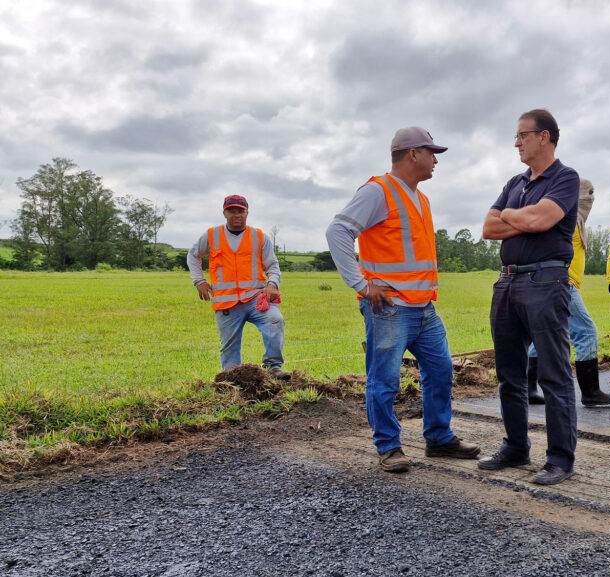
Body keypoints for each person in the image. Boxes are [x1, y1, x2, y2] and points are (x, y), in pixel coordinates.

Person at [325, 126, 480, 474]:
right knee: (384, 381)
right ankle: (389, 446)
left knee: (440, 371)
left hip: (424, 308)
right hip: (390, 309)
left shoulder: (420, 197)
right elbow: (337, 231)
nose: (435, 159)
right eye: (431, 152)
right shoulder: (377, 191)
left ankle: (439, 438)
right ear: (413, 154)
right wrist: (362, 286)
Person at [480, 108, 579, 486]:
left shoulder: (565, 178)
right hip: (507, 282)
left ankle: (559, 459)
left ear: (546, 137)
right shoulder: (515, 182)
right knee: (508, 373)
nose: (517, 142)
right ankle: (516, 447)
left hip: (546, 281)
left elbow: (541, 220)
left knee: (553, 375)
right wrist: (522, 216)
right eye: (516, 136)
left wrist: (512, 216)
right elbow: (488, 228)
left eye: (523, 135)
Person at [527, 178, 610, 407]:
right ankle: (591, 392)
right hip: (561, 283)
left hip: (552, 284)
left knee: (543, 334)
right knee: (587, 331)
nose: (590, 201)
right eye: (588, 195)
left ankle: (528, 388)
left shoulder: (574, 220)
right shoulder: (566, 219)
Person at [187, 195, 289, 379]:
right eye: (231, 211)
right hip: (226, 303)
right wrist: (199, 281)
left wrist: (273, 284)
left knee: (275, 321)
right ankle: (232, 380)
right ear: (224, 212)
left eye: (240, 211)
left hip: (255, 298)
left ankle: (273, 367)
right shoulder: (212, 235)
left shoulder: (259, 236)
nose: (236, 214)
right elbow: (193, 255)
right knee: (229, 346)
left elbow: (272, 265)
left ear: (247, 212)